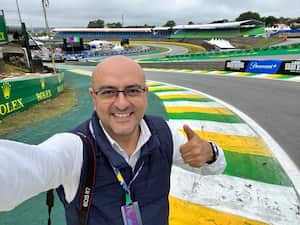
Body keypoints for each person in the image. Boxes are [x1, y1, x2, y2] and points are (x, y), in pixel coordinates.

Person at [0, 55, 226, 225]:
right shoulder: (74, 148)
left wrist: (210, 153)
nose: (121, 103)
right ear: (93, 96)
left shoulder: (165, 132)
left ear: (145, 93)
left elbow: (215, 167)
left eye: (132, 91)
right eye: (109, 92)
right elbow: (23, 169)